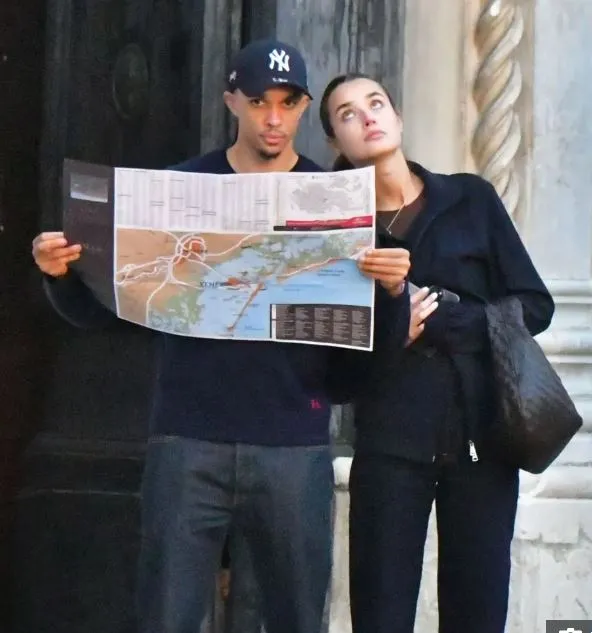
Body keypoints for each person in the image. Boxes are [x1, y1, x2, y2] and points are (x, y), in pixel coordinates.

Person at [31, 44, 411, 633]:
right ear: (232, 101)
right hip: (188, 442)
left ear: (304, 106)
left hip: (293, 447)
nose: (274, 119)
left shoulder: (337, 202)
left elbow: (364, 355)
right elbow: (103, 312)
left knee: (296, 618)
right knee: (167, 617)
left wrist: (392, 293)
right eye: (258, 102)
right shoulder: (181, 187)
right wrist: (60, 275)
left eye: (288, 103)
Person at [319, 73, 555, 633]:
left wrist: (452, 319)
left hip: (483, 443)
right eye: (348, 114)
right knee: (380, 615)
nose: (367, 117)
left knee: (477, 615)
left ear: (398, 118)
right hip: (388, 447)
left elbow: (535, 305)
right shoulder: (334, 234)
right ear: (335, 142)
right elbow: (335, 376)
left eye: (376, 103)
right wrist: (393, 331)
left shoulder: (470, 198)